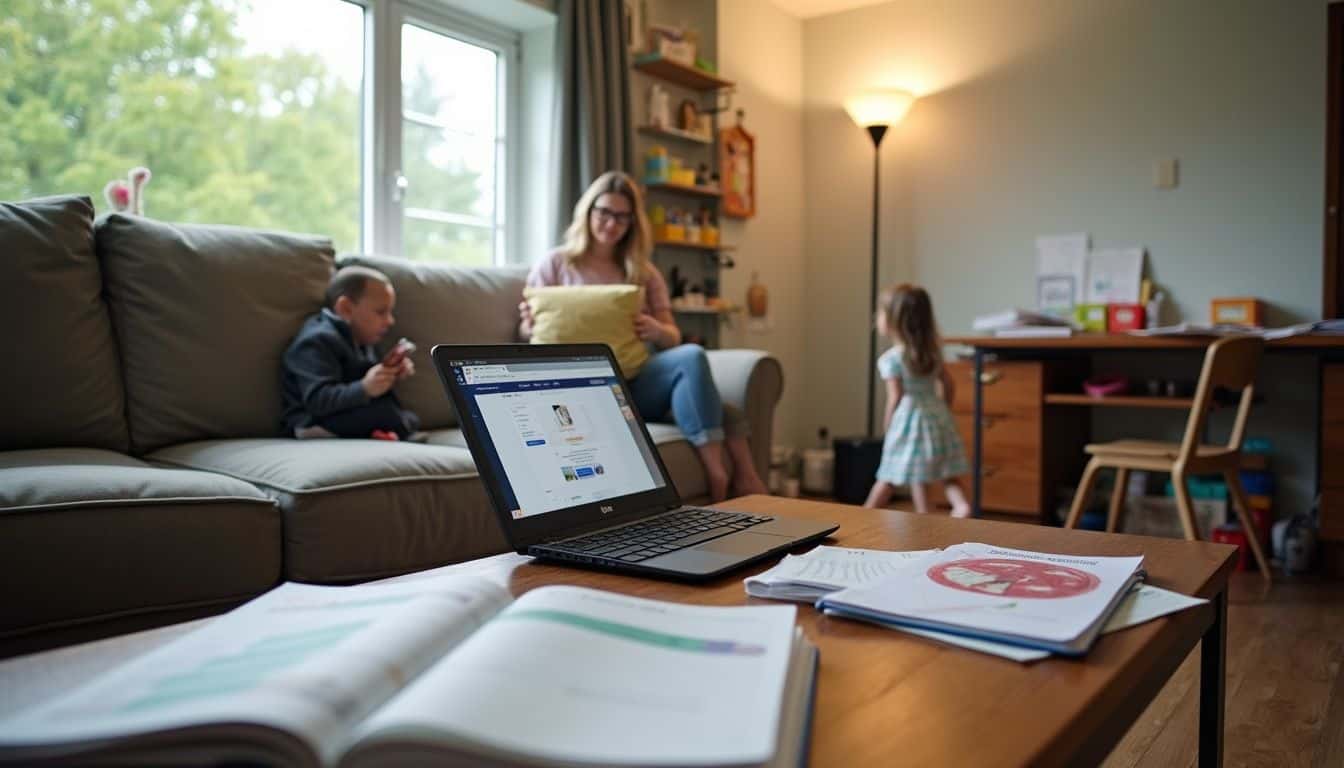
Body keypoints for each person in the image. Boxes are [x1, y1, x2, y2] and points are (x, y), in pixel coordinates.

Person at [520, 170, 768, 502]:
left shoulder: (642, 271)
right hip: (583, 390)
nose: (611, 224)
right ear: (588, 211)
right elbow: (526, 333)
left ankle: (715, 473)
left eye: (622, 217)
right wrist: (530, 325)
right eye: (604, 212)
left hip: (636, 384)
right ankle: (744, 479)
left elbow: (673, 338)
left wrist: (657, 330)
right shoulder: (556, 263)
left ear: (633, 223)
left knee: (692, 356)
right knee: (723, 407)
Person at [863, 283, 971, 517]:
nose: (877, 317)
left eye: (881, 312)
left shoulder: (892, 359)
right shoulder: (932, 353)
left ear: (894, 320)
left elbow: (896, 397)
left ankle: (865, 515)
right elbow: (949, 384)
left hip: (909, 420)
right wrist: (944, 411)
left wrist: (889, 426)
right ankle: (961, 506)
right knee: (944, 474)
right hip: (937, 415)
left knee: (888, 476)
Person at [281, 266, 419, 440]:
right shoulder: (316, 341)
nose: (390, 321)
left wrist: (390, 372)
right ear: (346, 308)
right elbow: (318, 400)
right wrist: (365, 388)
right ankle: (390, 432)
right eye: (381, 312)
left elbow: (363, 376)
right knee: (387, 414)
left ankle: (383, 432)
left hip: (344, 413)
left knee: (408, 417)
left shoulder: (363, 338)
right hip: (311, 421)